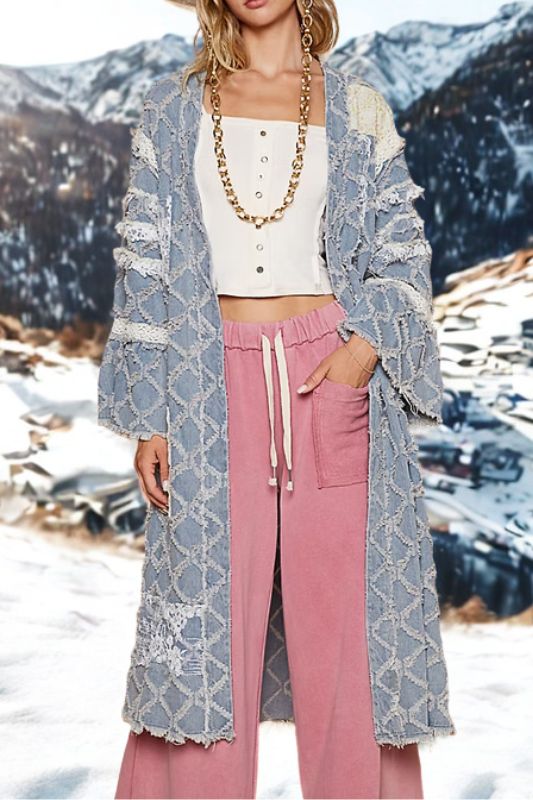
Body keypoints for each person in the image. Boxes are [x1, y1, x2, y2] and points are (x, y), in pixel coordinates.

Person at [97, 0, 456, 797]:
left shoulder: (357, 107)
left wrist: (359, 354)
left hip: (326, 373)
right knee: (199, 642)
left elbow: (401, 253)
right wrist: (151, 413)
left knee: (349, 639)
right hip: (203, 386)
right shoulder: (170, 108)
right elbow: (145, 265)